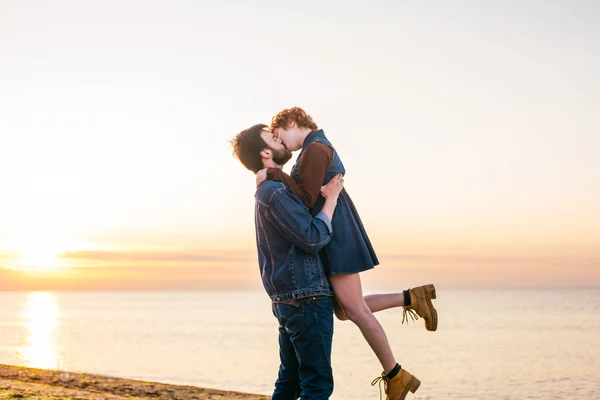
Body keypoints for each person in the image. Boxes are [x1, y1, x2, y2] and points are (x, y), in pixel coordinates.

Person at [256, 107, 438, 400]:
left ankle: (395, 375)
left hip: (335, 235)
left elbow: (305, 199)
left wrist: (274, 173)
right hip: (333, 232)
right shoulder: (314, 148)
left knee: (354, 310)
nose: (282, 144)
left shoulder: (315, 148)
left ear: (292, 123)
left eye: (280, 135)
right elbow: (308, 196)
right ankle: (411, 298)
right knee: (342, 310)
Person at [231, 123, 345, 400]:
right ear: (265, 153)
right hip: (305, 297)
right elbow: (312, 237)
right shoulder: (275, 192)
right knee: (316, 385)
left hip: (290, 299)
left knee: (290, 382)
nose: (280, 139)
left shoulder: (273, 189)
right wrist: (330, 200)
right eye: (272, 138)